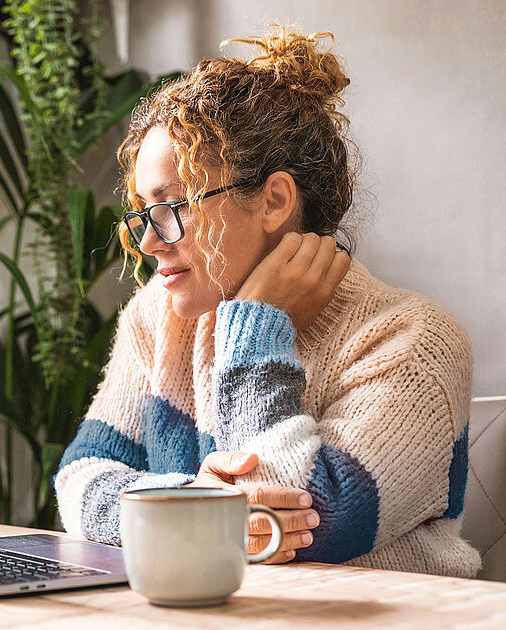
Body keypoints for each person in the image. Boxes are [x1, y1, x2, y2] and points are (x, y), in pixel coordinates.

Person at [54, 24, 481, 577]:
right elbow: (79, 477)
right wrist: (196, 502)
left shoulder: (414, 340)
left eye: (173, 206)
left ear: (275, 200)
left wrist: (257, 327)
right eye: (142, 212)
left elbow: (294, 532)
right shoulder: (156, 319)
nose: (149, 241)